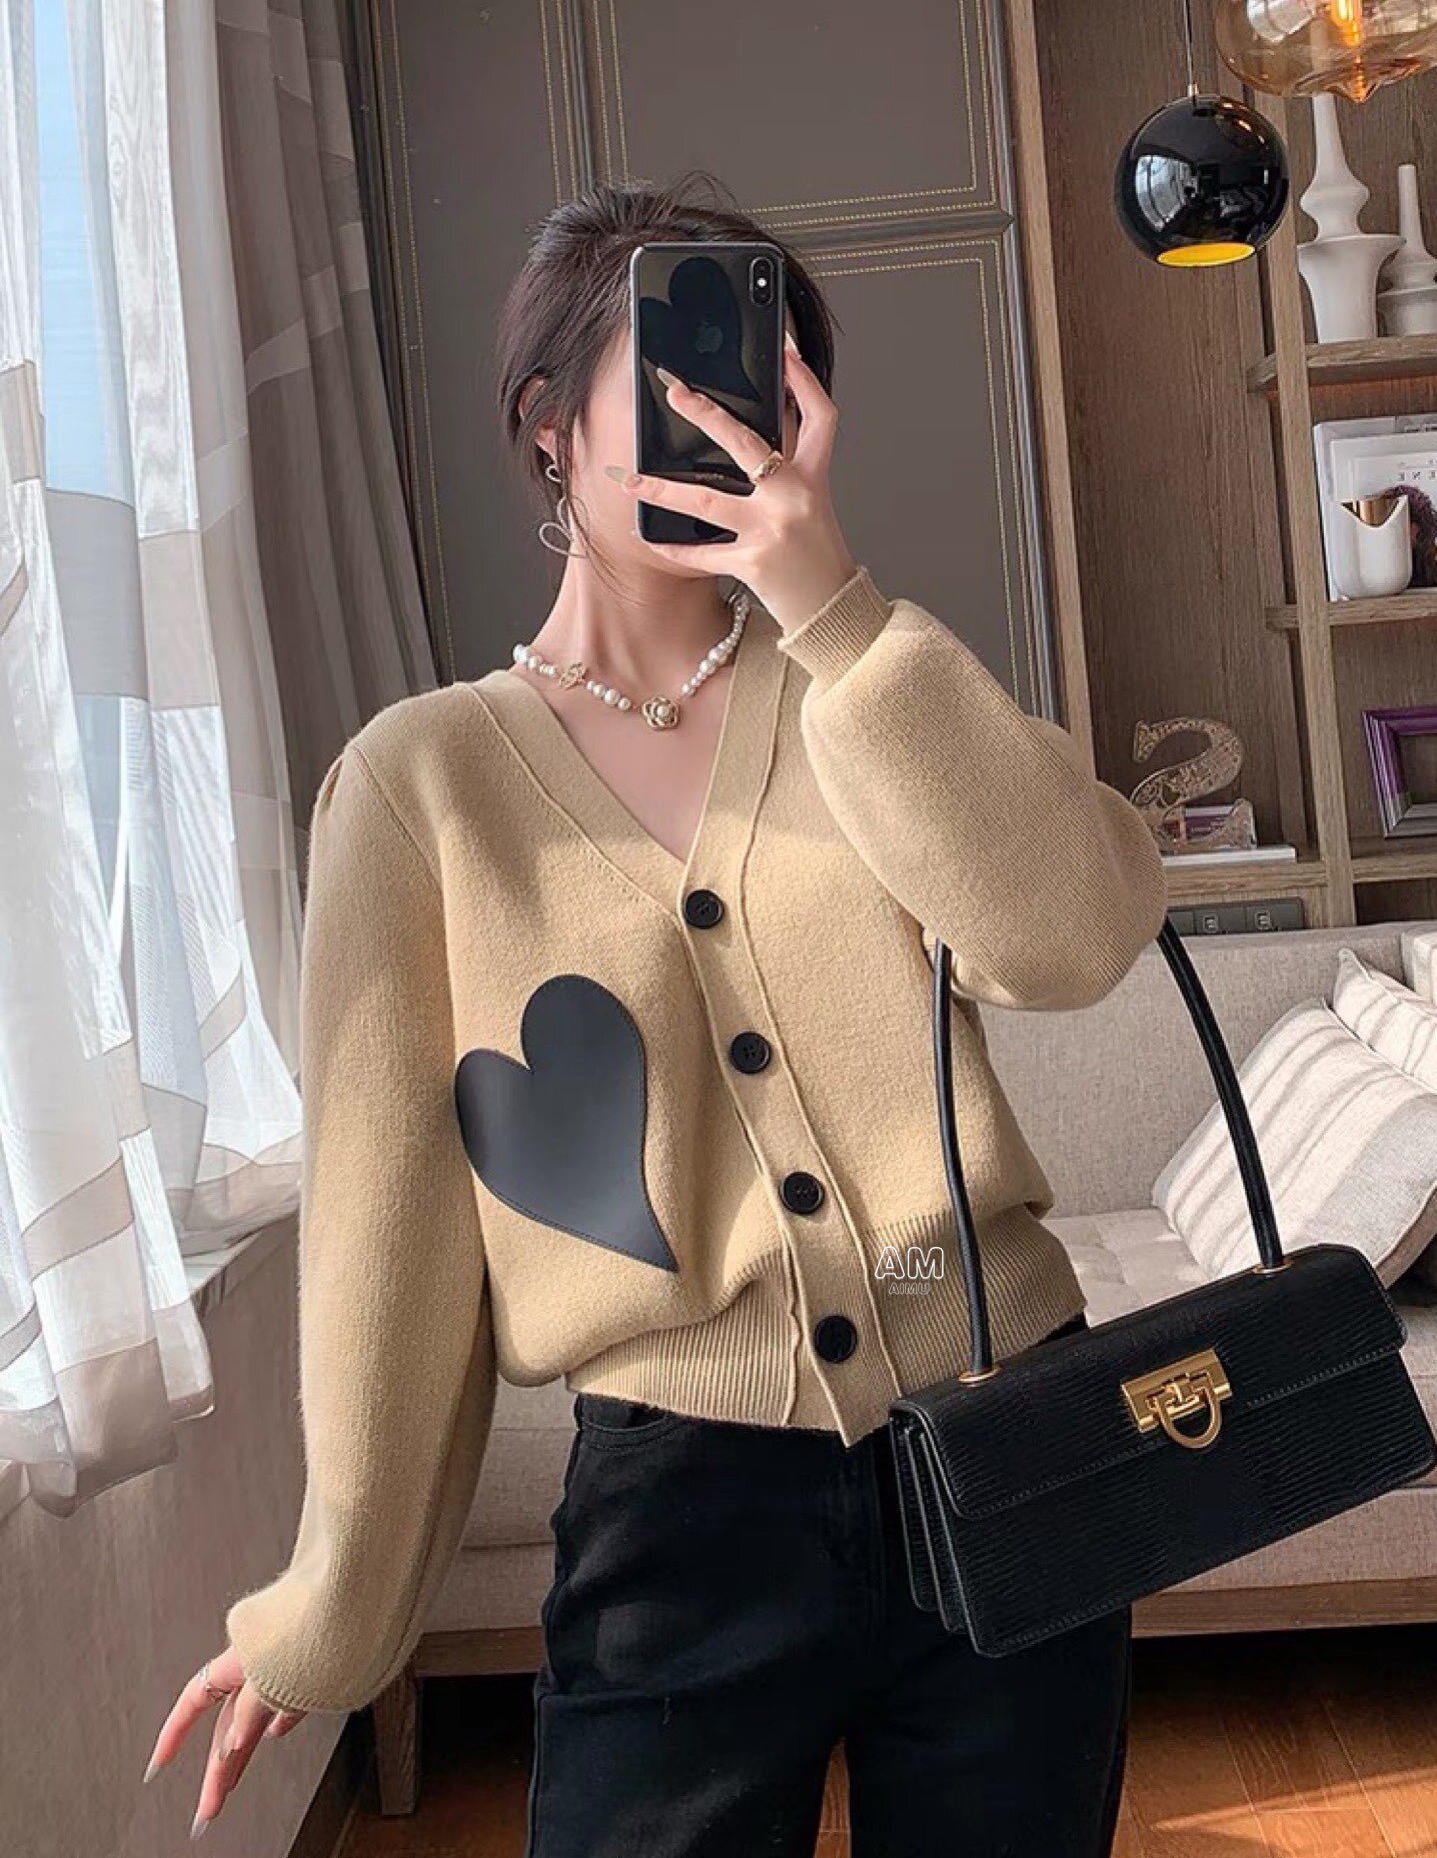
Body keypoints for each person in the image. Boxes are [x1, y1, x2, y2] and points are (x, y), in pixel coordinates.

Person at [143, 171, 1167, 1853]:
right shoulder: (421, 787)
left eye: (760, 386)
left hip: (1016, 1439)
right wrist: (333, 1602)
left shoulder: (870, 687)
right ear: (550, 424)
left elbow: (1075, 939)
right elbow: (391, 1229)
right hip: (681, 1513)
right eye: (677, 383)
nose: (726, 425)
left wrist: (835, 608)